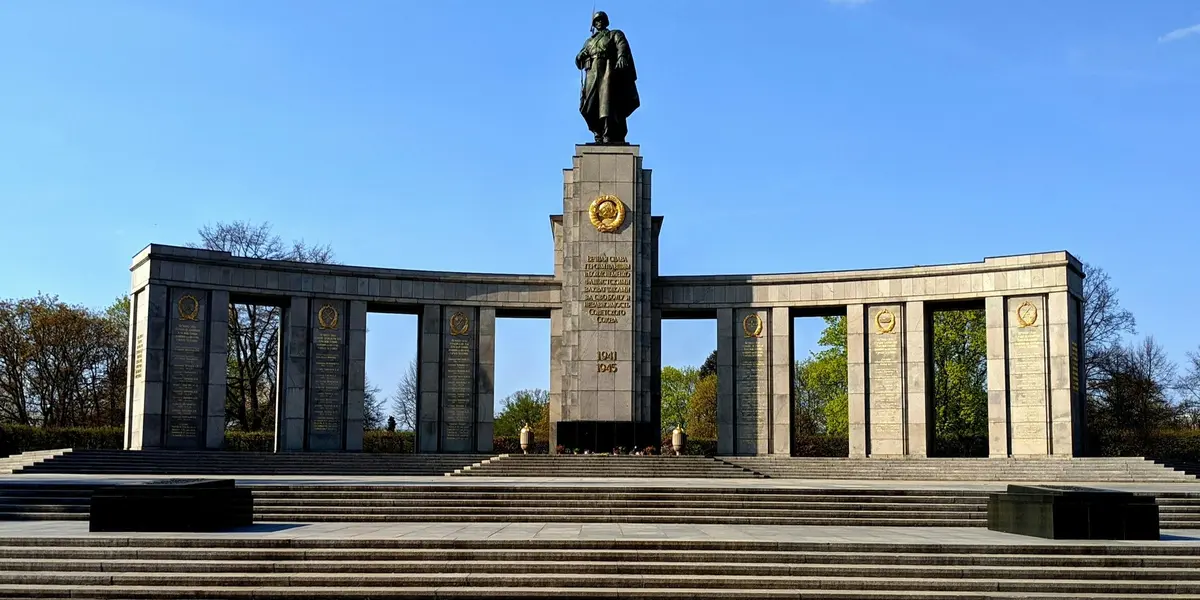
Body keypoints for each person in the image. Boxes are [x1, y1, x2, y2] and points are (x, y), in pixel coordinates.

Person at [575, 11, 640, 144]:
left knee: (607, 104)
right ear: (594, 24)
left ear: (606, 22)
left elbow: (621, 44)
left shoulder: (613, 34)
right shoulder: (589, 41)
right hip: (592, 72)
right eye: (596, 21)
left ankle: (607, 133)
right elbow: (579, 60)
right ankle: (597, 131)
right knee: (589, 104)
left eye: (601, 20)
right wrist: (580, 57)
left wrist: (621, 56)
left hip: (607, 70)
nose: (599, 22)